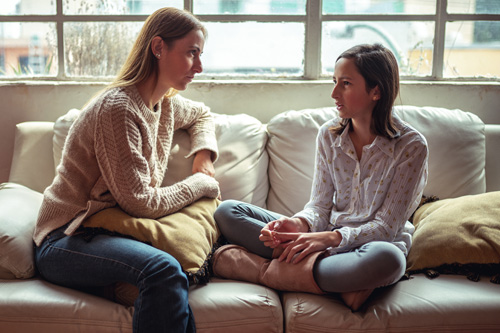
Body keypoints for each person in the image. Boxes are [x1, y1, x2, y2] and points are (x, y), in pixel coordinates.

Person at [33, 7, 219, 333]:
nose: (200, 67)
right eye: (192, 53)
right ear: (158, 47)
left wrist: (203, 156)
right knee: (163, 270)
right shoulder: (118, 108)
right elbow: (140, 202)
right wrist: (200, 183)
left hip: (111, 231)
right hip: (66, 236)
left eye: (200, 54)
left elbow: (202, 114)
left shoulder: (165, 104)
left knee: (171, 278)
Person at [212, 43, 428, 311]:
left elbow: (385, 228)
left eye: (345, 84)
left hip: (370, 246)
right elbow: (320, 205)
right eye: (334, 81)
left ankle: (263, 270)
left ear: (376, 91)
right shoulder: (329, 135)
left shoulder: (411, 146)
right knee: (228, 211)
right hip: (322, 238)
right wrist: (299, 224)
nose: (334, 93)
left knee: (389, 260)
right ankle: (333, 280)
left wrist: (328, 240)